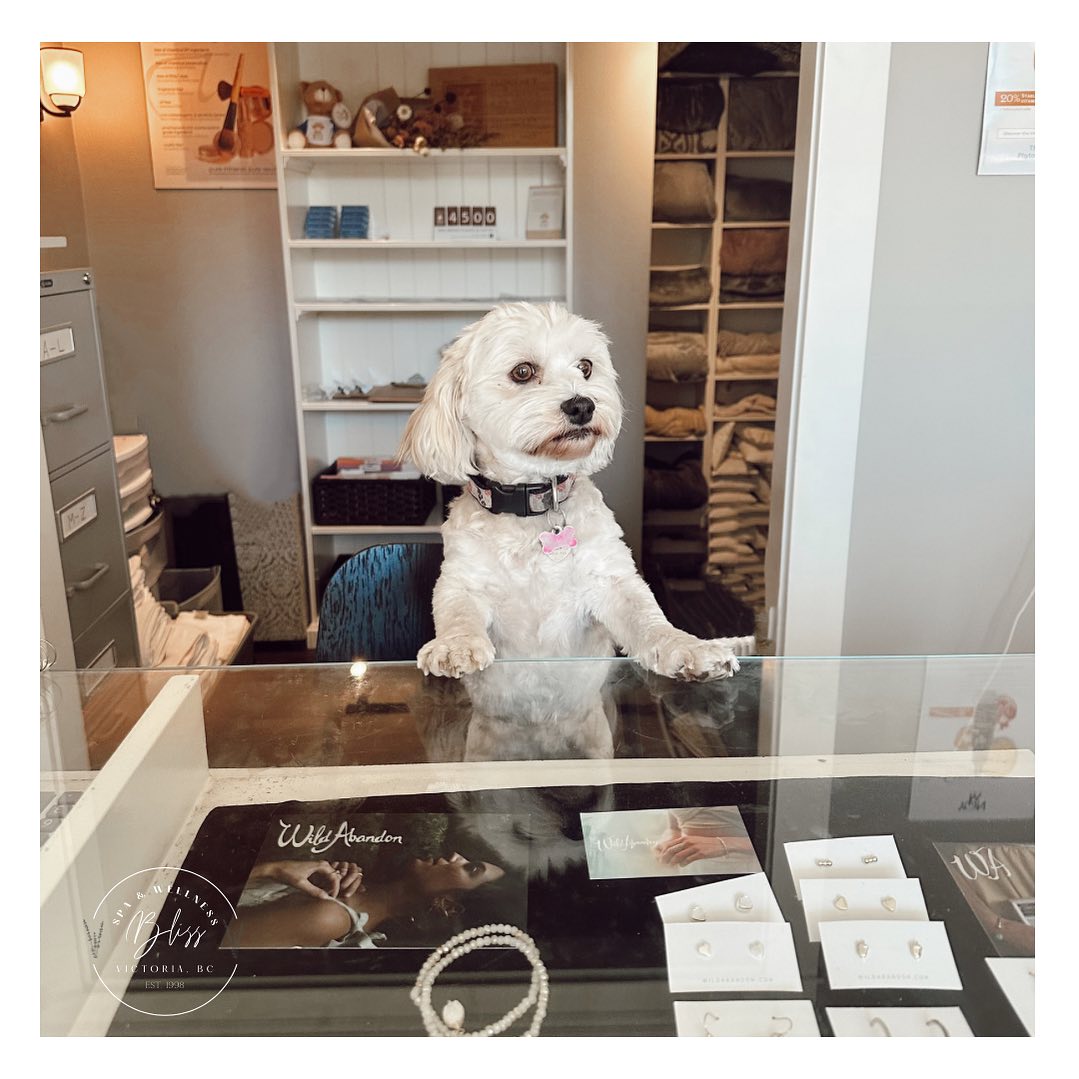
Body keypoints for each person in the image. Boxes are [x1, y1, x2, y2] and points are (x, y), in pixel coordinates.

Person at [222, 852, 505, 949]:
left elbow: (204, 934)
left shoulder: (330, 917)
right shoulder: (345, 885)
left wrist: (271, 870)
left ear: (448, 907)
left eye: (471, 868)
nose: (456, 856)